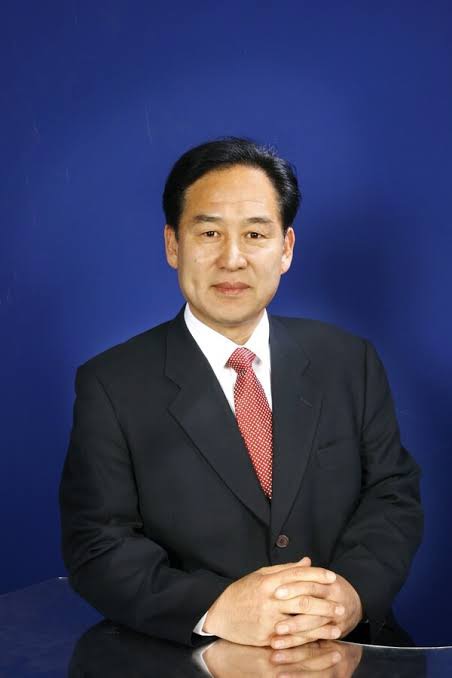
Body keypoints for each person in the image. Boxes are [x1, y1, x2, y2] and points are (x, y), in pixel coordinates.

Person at [59, 137, 423, 655]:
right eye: (209, 232)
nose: (232, 259)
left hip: (347, 646)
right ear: (173, 245)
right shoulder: (111, 384)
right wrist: (218, 608)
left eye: (255, 234)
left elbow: (392, 493)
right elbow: (97, 543)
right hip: (190, 654)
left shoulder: (349, 360)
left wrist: (351, 593)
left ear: (286, 248)